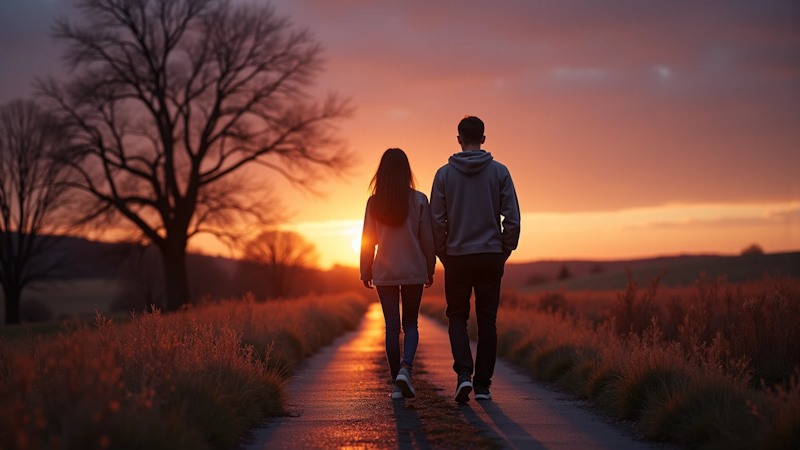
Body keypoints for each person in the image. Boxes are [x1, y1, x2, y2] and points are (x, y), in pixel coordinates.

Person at [430, 116, 521, 402]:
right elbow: (513, 219)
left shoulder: (444, 175)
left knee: (456, 316)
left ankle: (462, 375)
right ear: (484, 138)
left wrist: (443, 251)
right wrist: (505, 249)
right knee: (487, 321)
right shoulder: (500, 172)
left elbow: (435, 220)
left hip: (457, 256)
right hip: (490, 255)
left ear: (458, 139)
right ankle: (482, 386)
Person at [361, 148, 436, 399]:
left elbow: (367, 240)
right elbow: (428, 240)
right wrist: (430, 268)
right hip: (414, 269)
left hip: (384, 272)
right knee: (411, 323)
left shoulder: (374, 202)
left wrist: (365, 270)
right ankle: (406, 369)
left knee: (392, 328)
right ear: (407, 172)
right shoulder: (419, 200)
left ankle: (396, 383)